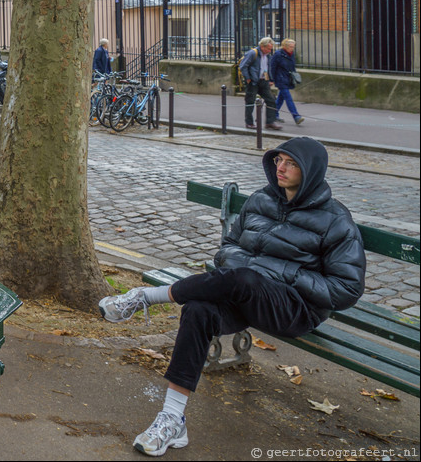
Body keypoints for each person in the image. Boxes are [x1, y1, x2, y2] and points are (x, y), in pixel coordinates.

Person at [99, 136, 364, 456]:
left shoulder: (335, 220)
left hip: (295, 308)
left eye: (291, 163)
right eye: (279, 159)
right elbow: (227, 250)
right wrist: (255, 268)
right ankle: (172, 419)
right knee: (198, 309)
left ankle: (147, 297)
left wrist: (283, 272)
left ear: (311, 172)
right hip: (246, 294)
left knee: (246, 278)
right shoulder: (262, 200)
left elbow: (347, 289)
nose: (281, 167)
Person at [239, 37, 282, 130]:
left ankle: (270, 122)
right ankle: (249, 123)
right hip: (253, 81)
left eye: (271, 49)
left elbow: (267, 67)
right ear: (262, 46)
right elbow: (243, 66)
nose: (270, 51)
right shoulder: (253, 53)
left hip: (263, 81)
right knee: (250, 101)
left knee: (271, 100)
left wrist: (270, 79)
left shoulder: (267, 56)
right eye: (268, 48)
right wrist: (248, 78)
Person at [270, 38, 304, 125]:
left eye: (293, 46)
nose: (292, 48)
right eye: (290, 46)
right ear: (285, 46)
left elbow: (292, 67)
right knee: (288, 98)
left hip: (287, 78)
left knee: (281, 98)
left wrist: (294, 76)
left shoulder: (291, 54)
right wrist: (272, 79)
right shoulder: (278, 54)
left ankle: (274, 114)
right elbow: (272, 67)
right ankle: (296, 116)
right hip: (280, 79)